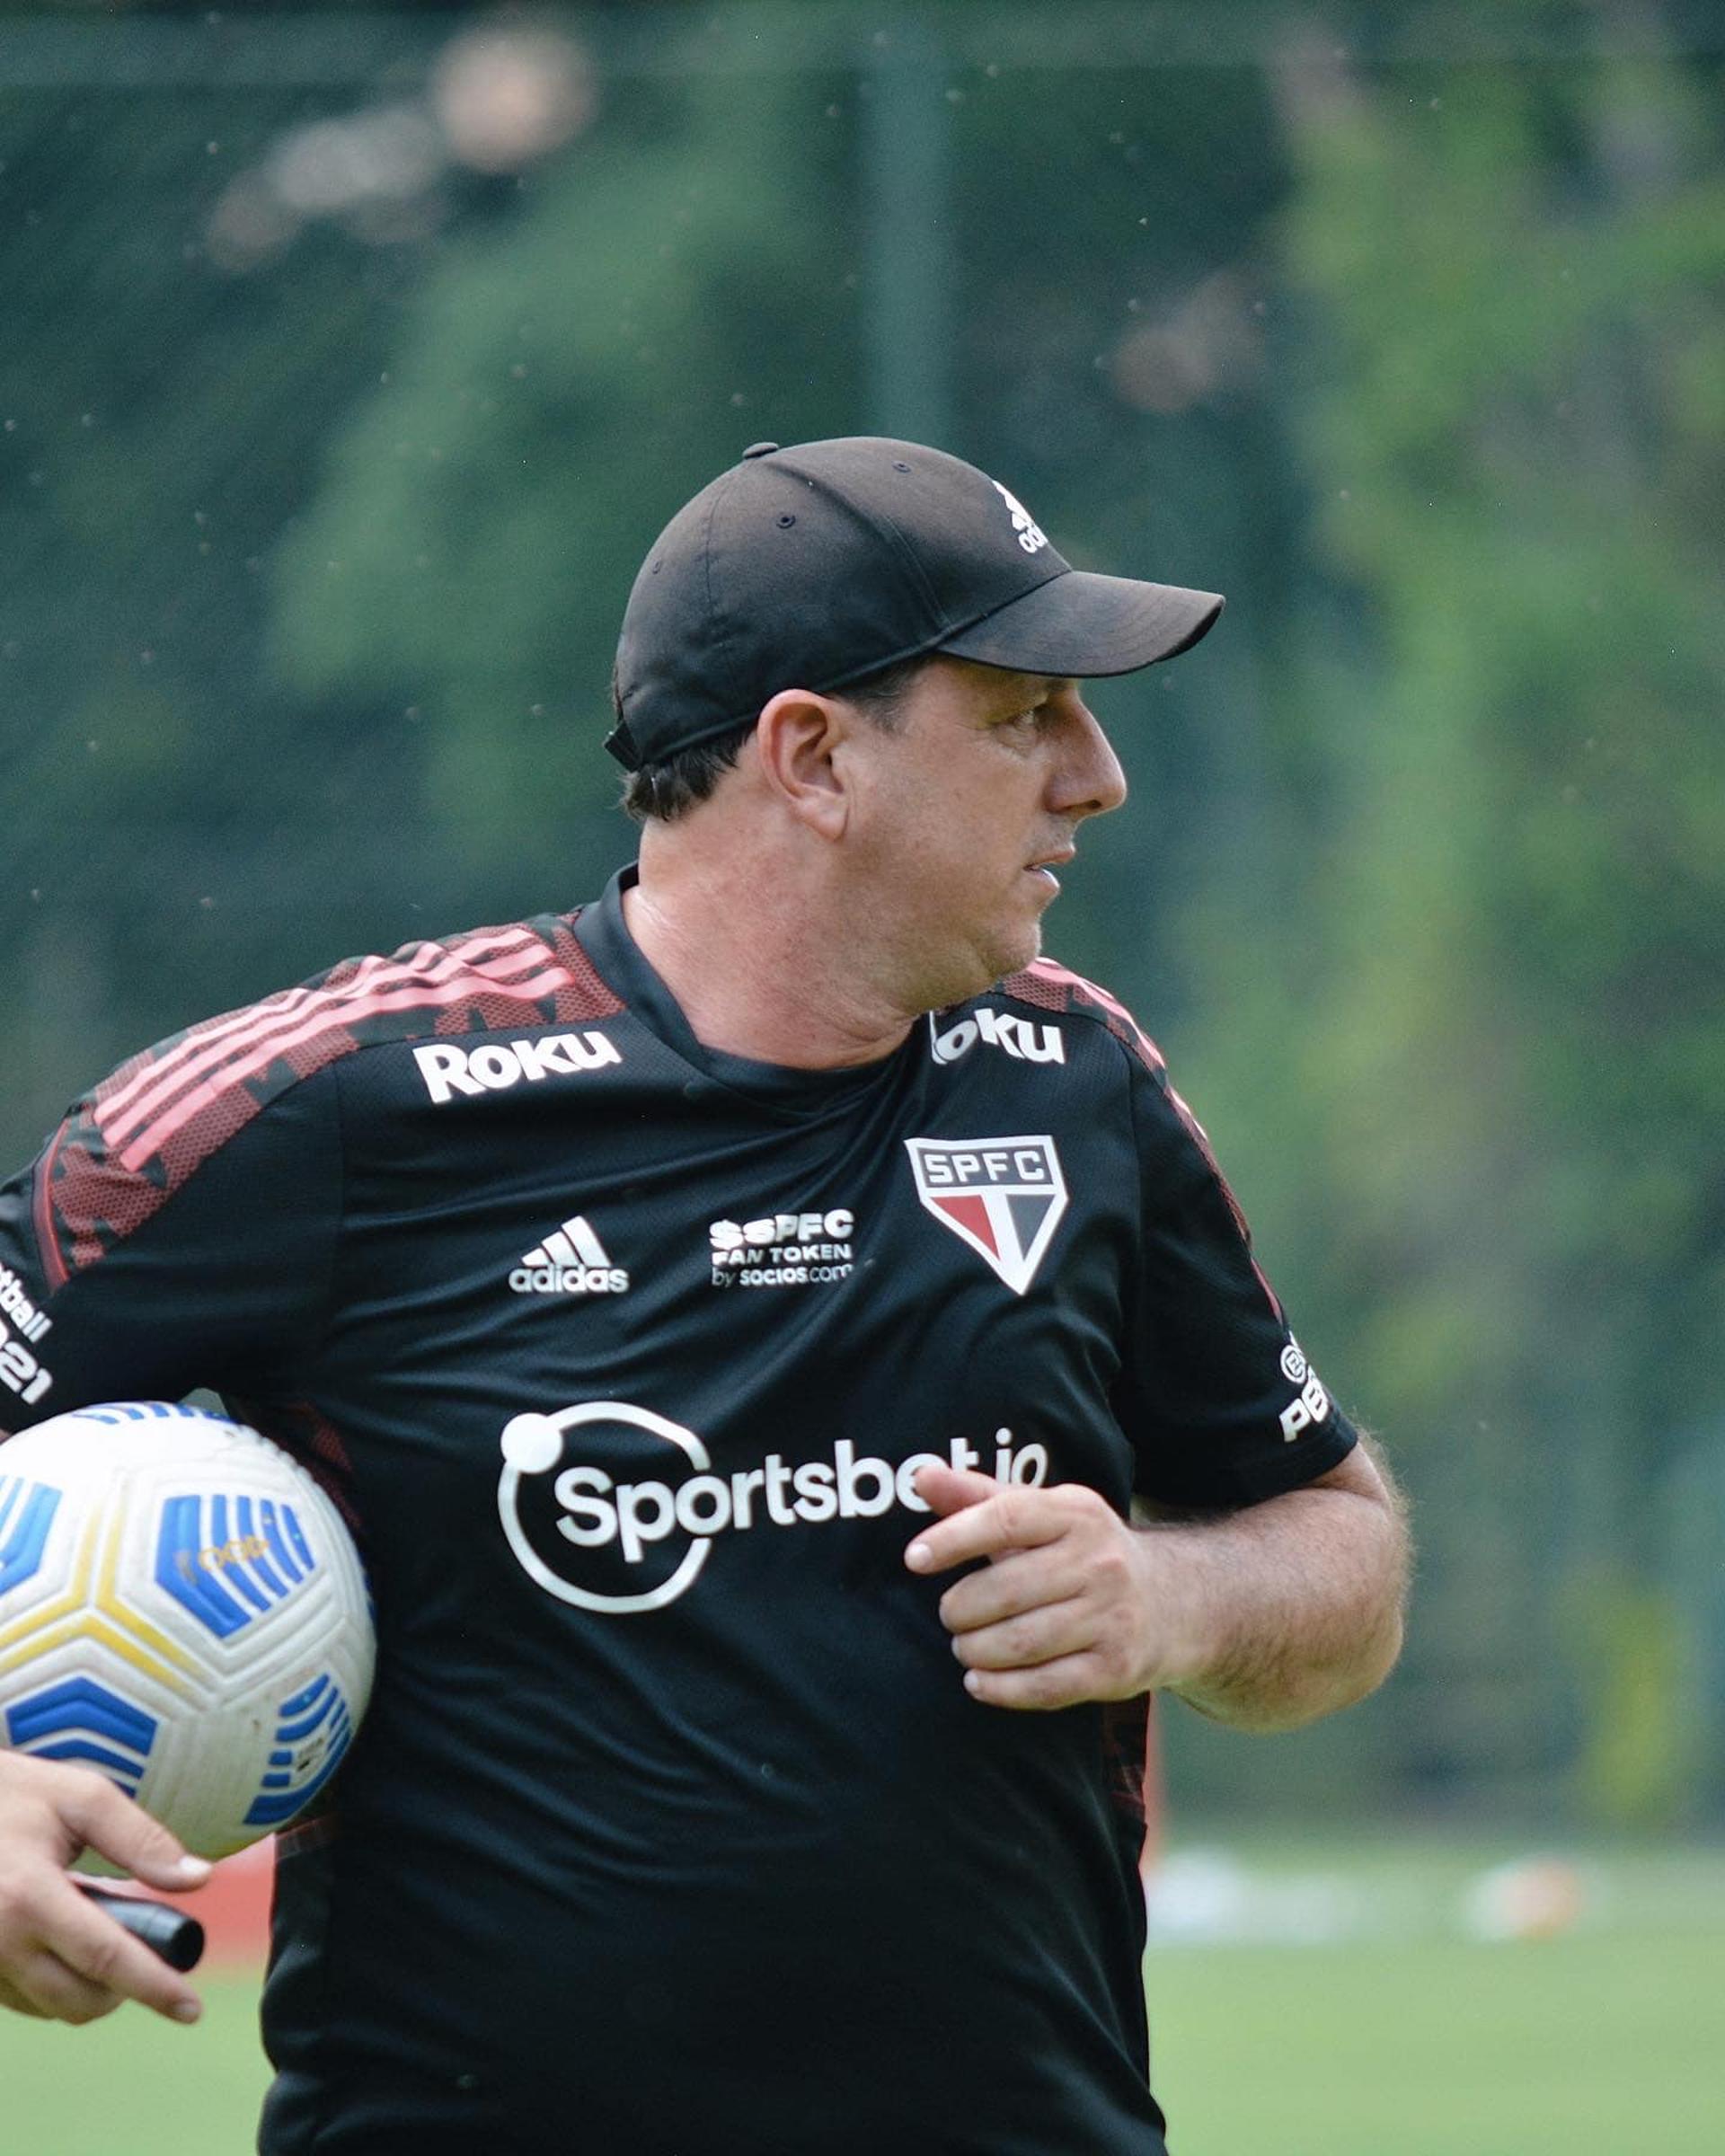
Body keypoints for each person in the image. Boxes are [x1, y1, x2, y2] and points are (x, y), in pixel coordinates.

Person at [0, 437, 1406, 2154]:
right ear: (811, 756)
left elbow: (1343, 1553)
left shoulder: (1072, 1080)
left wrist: (1171, 1598)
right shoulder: (345, 1103)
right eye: (1026, 712)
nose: (1098, 776)